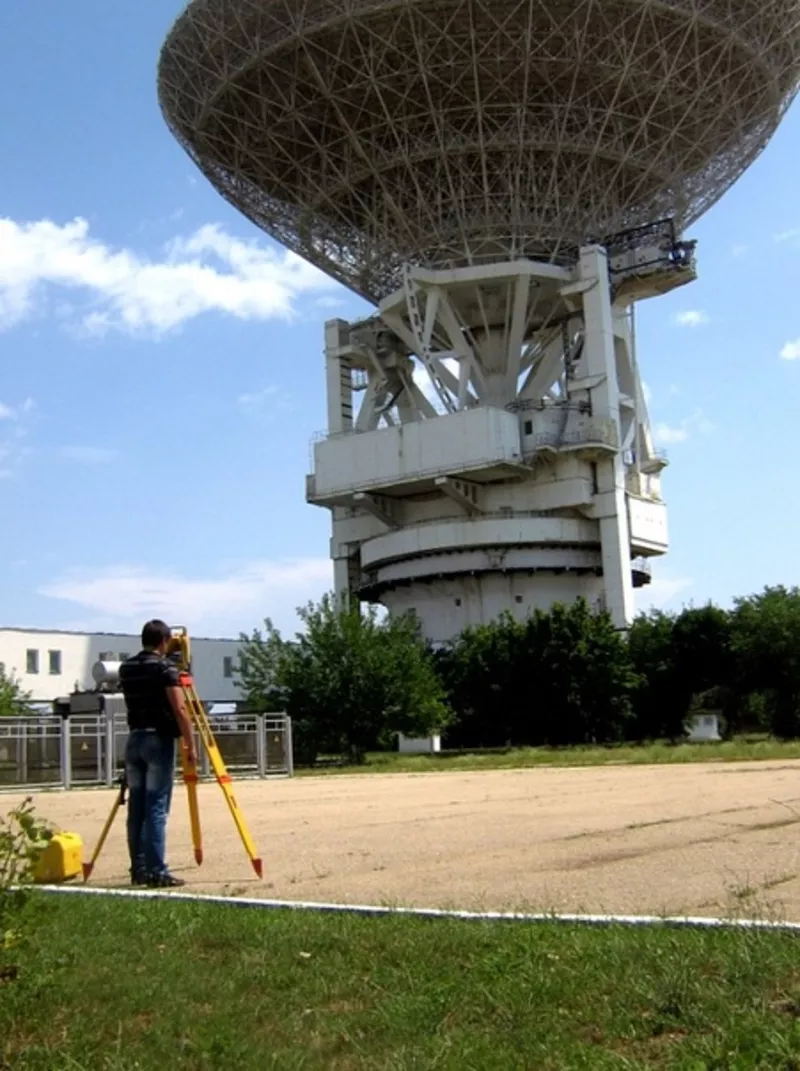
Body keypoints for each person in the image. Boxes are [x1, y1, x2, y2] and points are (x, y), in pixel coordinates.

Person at [118, 619, 197, 887]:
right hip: (157, 740)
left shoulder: (126, 668)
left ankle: (138, 868)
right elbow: (180, 708)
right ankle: (156, 870)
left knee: (136, 808)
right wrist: (190, 742)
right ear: (164, 641)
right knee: (156, 807)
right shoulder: (164, 668)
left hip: (134, 739)